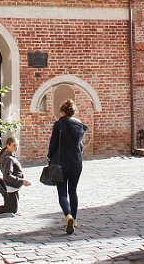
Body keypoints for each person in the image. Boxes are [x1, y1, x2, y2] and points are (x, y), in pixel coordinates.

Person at [48, 99, 88, 234]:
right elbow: (81, 146)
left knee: (62, 193)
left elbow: (53, 144)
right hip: (76, 162)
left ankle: (68, 216)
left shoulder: (59, 125)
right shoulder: (79, 126)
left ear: (62, 112)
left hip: (61, 162)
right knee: (73, 191)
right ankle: (74, 219)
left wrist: (49, 156)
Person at [0, 136, 30, 217]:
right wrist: (21, 181)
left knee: (13, 209)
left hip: (13, 186)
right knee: (10, 209)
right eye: (14, 145)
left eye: (17, 145)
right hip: (10, 186)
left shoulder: (10, 156)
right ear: (8, 146)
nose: (16, 147)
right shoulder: (7, 158)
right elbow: (7, 175)